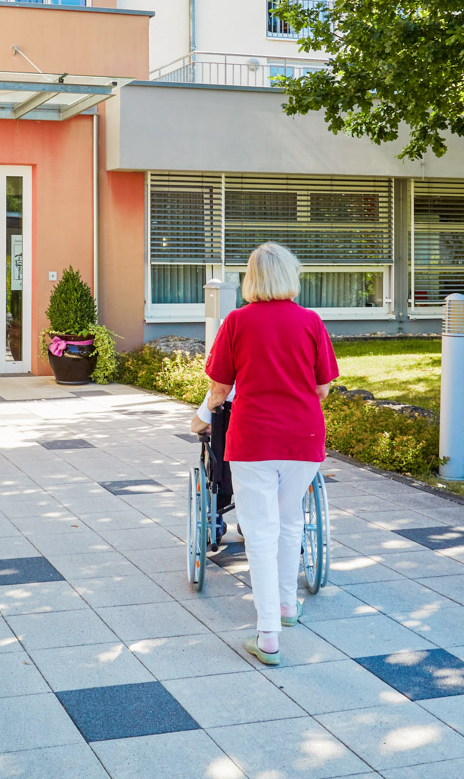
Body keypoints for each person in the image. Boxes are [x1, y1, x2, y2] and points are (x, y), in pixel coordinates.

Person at [204, 242, 339, 666]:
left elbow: (220, 389)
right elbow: (322, 387)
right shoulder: (311, 322)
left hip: (254, 440)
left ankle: (268, 636)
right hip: (303, 440)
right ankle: (285, 605)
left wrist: (204, 413)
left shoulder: (237, 322)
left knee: (260, 532)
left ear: (252, 277)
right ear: (289, 275)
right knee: (289, 522)